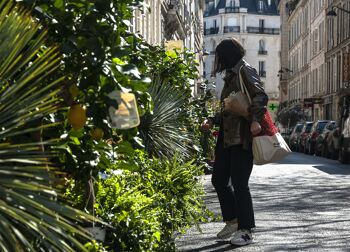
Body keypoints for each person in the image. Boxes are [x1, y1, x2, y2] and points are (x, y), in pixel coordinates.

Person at [201, 38, 268, 246]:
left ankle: (246, 230)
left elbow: (260, 96)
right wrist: (212, 120)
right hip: (226, 136)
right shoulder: (232, 74)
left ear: (227, 55)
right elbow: (229, 107)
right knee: (219, 180)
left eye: (220, 56)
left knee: (240, 184)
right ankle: (232, 220)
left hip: (242, 136)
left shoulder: (244, 71)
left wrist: (256, 120)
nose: (218, 61)